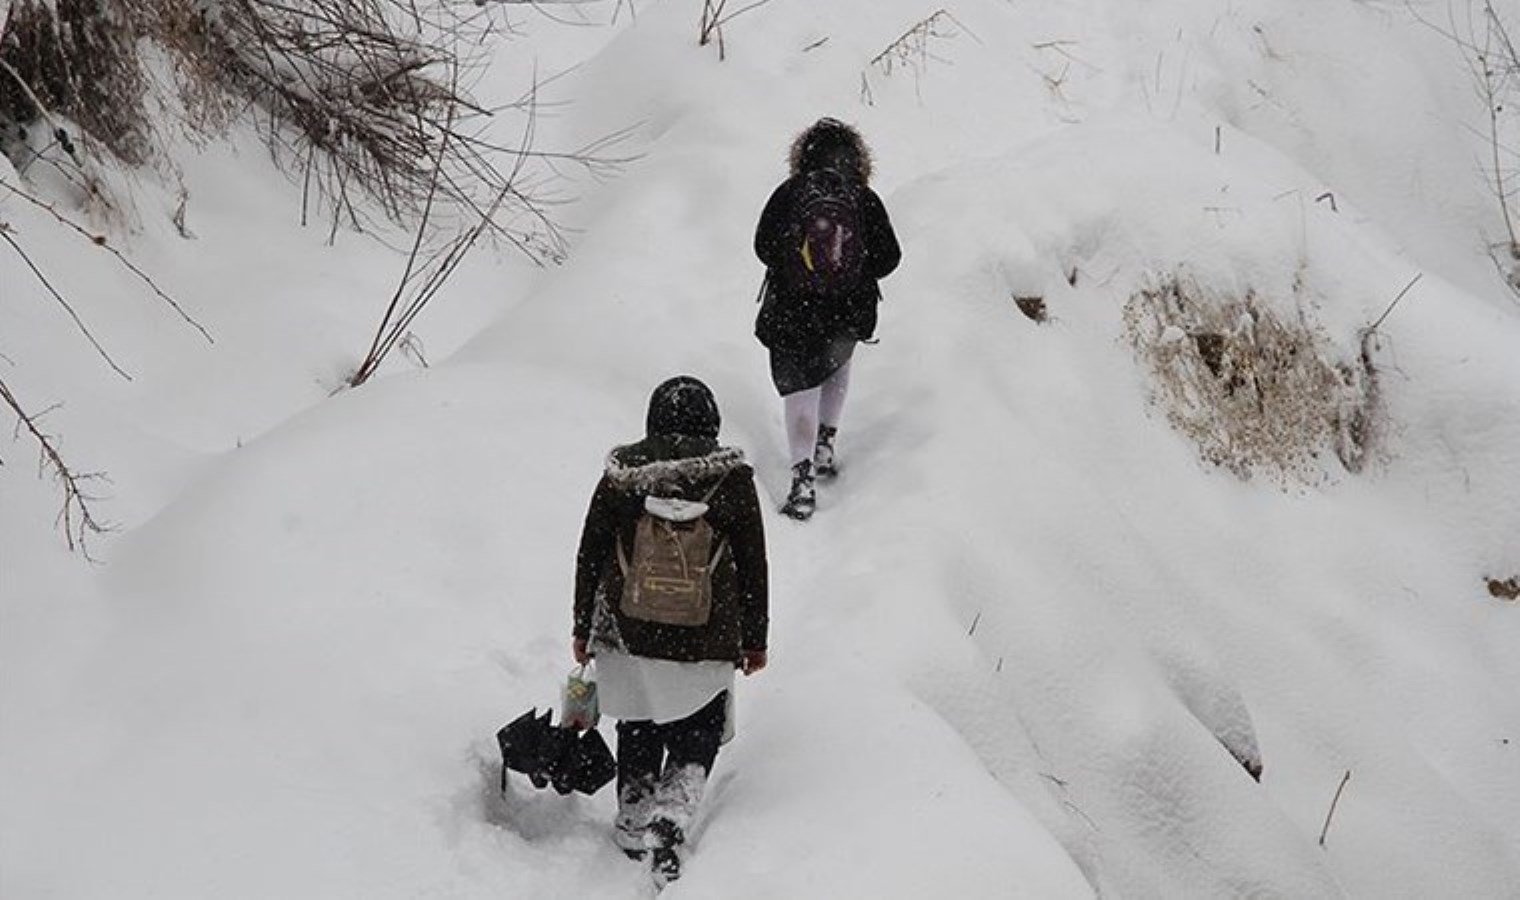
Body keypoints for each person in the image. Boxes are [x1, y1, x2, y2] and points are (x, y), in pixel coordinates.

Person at [573, 376, 769, 886]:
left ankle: (634, 813)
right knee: (698, 727)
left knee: (638, 719)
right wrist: (755, 638)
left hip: (627, 628)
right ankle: (672, 814)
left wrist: (581, 627)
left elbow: (591, 552)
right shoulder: (732, 481)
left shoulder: (623, 477)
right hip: (705, 634)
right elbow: (753, 564)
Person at [753, 117, 901, 520]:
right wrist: (850, 269)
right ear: (857, 159)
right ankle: (825, 443)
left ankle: (802, 478)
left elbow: (762, 246)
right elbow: (890, 258)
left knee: (799, 387)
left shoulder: (790, 193)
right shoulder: (863, 198)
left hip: (791, 311)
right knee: (836, 362)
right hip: (845, 311)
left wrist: (797, 264)